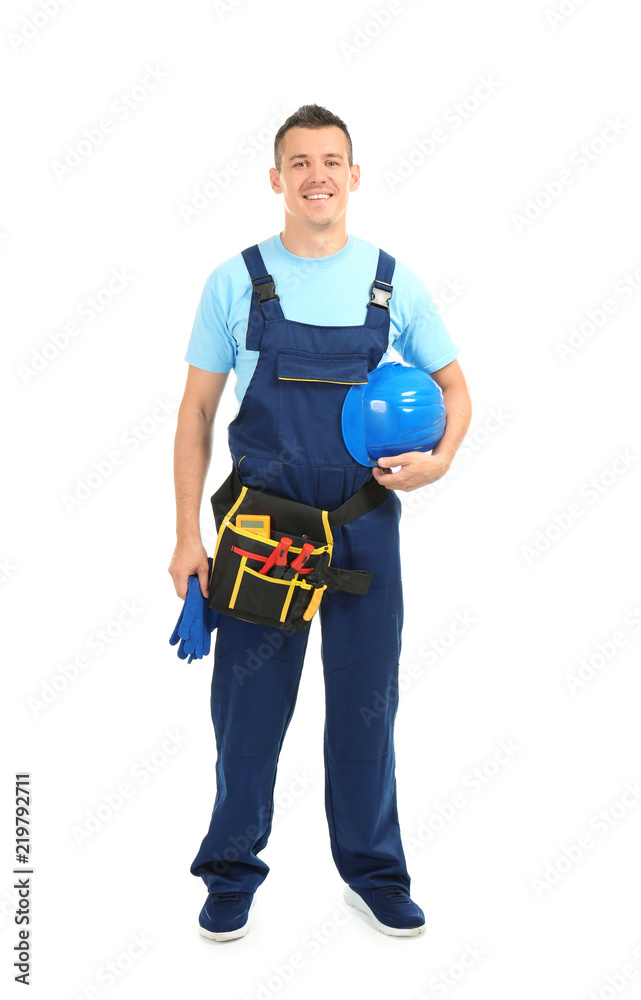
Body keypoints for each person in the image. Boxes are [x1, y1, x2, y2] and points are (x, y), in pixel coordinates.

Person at [168, 104, 472, 942]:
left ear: (353, 175)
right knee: (248, 711)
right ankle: (230, 871)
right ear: (276, 178)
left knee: (368, 706)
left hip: (364, 526)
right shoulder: (235, 282)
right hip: (264, 532)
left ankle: (374, 874)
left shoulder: (391, 282)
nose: (316, 176)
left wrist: (441, 459)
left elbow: (455, 389)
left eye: (331, 161)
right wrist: (189, 536)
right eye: (299, 162)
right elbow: (196, 414)